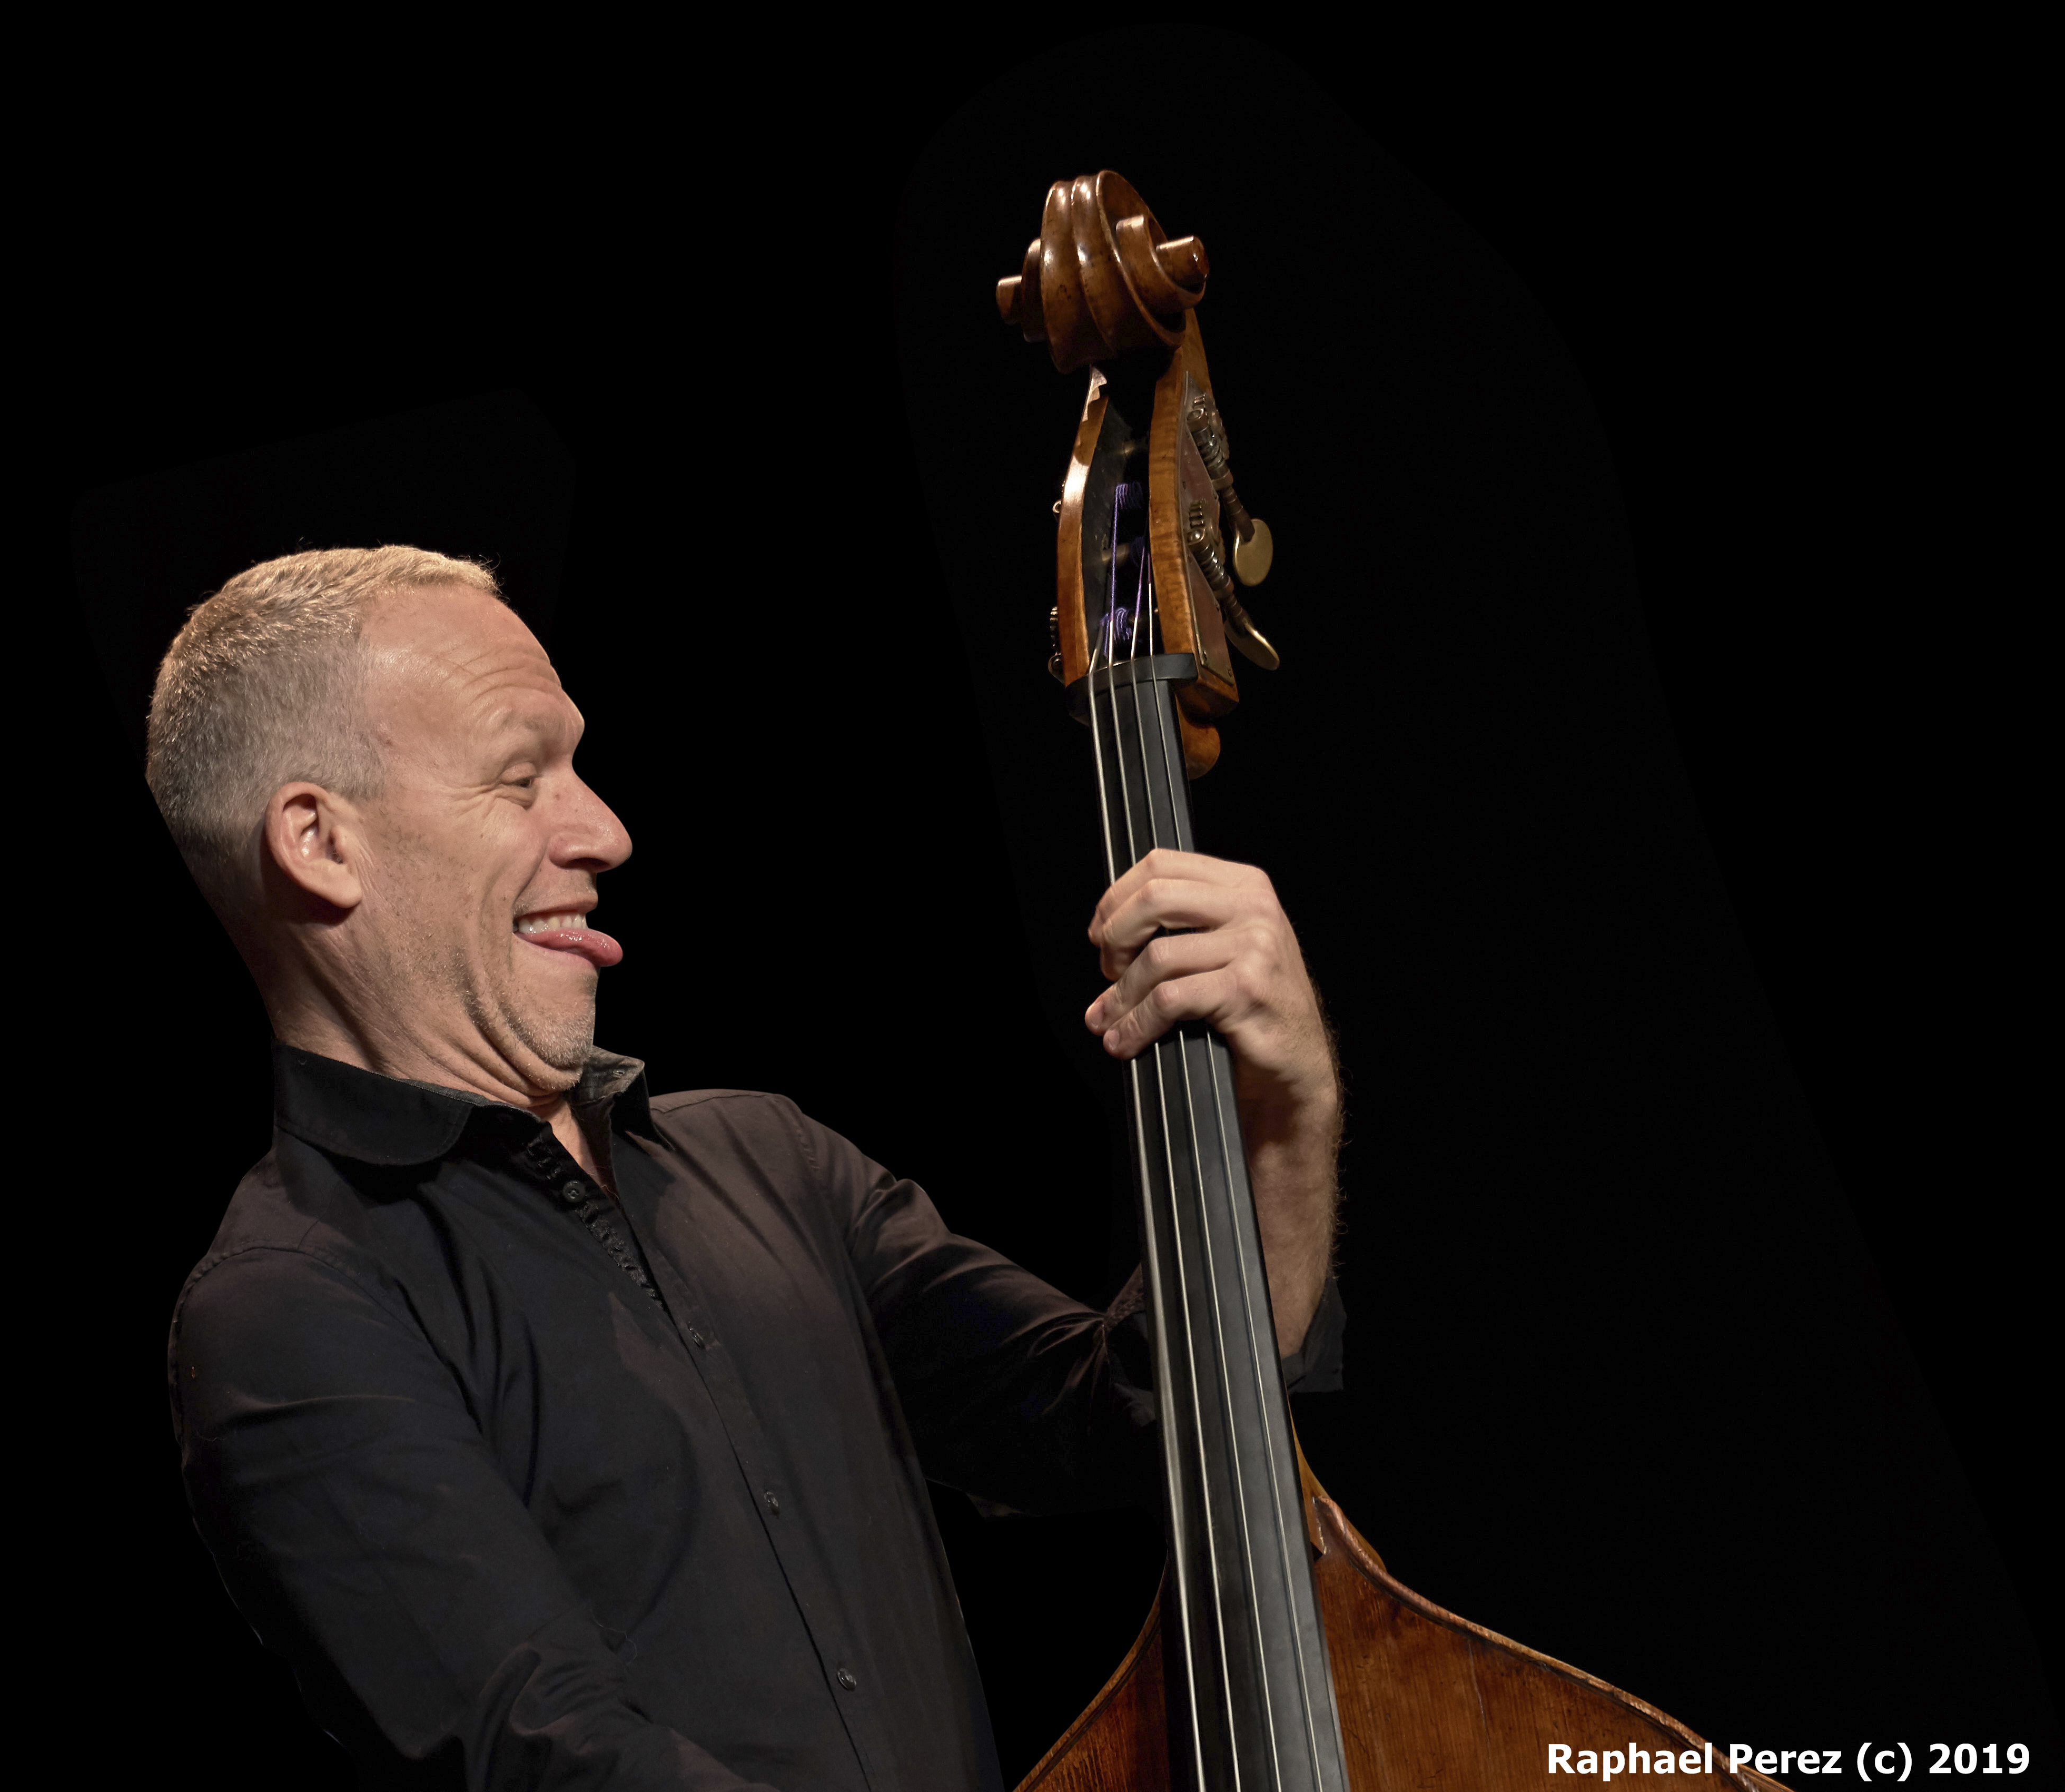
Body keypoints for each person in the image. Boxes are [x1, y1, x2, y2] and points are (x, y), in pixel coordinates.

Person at [153, 546, 1344, 1791]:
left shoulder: (769, 1160)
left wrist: (1280, 1114)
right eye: (520, 781)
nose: (605, 831)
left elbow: (1130, 1424)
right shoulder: (290, 1308)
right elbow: (554, 1758)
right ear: (320, 842)